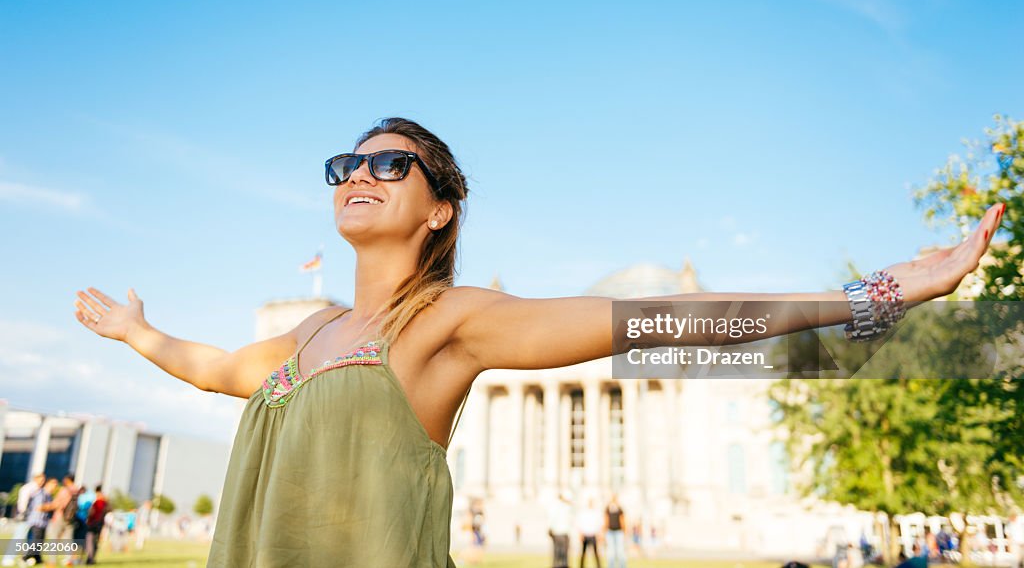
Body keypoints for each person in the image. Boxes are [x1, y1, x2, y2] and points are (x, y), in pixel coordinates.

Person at [73, 117, 1005, 567]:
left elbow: (662, 324)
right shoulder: (307, 330)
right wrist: (138, 331)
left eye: (389, 162)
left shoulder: (450, 319)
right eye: (346, 164)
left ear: (439, 207)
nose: (360, 172)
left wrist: (880, 293)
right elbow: (211, 371)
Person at [22, 478, 58, 566]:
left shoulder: (49, 495)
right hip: (36, 520)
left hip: (44, 522)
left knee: (41, 541)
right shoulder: (40, 493)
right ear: (48, 484)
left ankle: (37, 558)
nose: (55, 487)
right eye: (53, 485)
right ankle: (26, 557)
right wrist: (52, 506)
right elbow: (39, 507)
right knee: (36, 540)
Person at [83, 486, 108, 565]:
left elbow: (91, 512)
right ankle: (93, 558)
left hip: (92, 523)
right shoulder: (105, 503)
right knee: (95, 542)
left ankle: (89, 558)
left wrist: (88, 518)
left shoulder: (96, 502)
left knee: (89, 541)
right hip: (100, 524)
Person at [548, 492, 574, 568]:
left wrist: (549, 529)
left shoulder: (555, 506)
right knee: (564, 554)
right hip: (564, 533)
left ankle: (556, 565)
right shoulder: (566, 506)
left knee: (557, 553)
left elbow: (551, 519)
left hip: (557, 533)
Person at [577, 498, 602, 568]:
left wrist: (599, 534)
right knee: (583, 553)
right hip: (585, 534)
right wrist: (580, 534)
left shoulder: (596, 512)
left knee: (596, 553)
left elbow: (599, 524)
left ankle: (599, 566)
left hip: (593, 534)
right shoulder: (584, 512)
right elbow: (580, 523)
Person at [604, 494, 627, 568]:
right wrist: (604, 531)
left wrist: (624, 531)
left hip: (618, 532)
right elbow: (606, 521)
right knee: (611, 552)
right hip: (610, 532)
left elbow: (622, 521)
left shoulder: (620, 509)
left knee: (620, 552)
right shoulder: (608, 508)